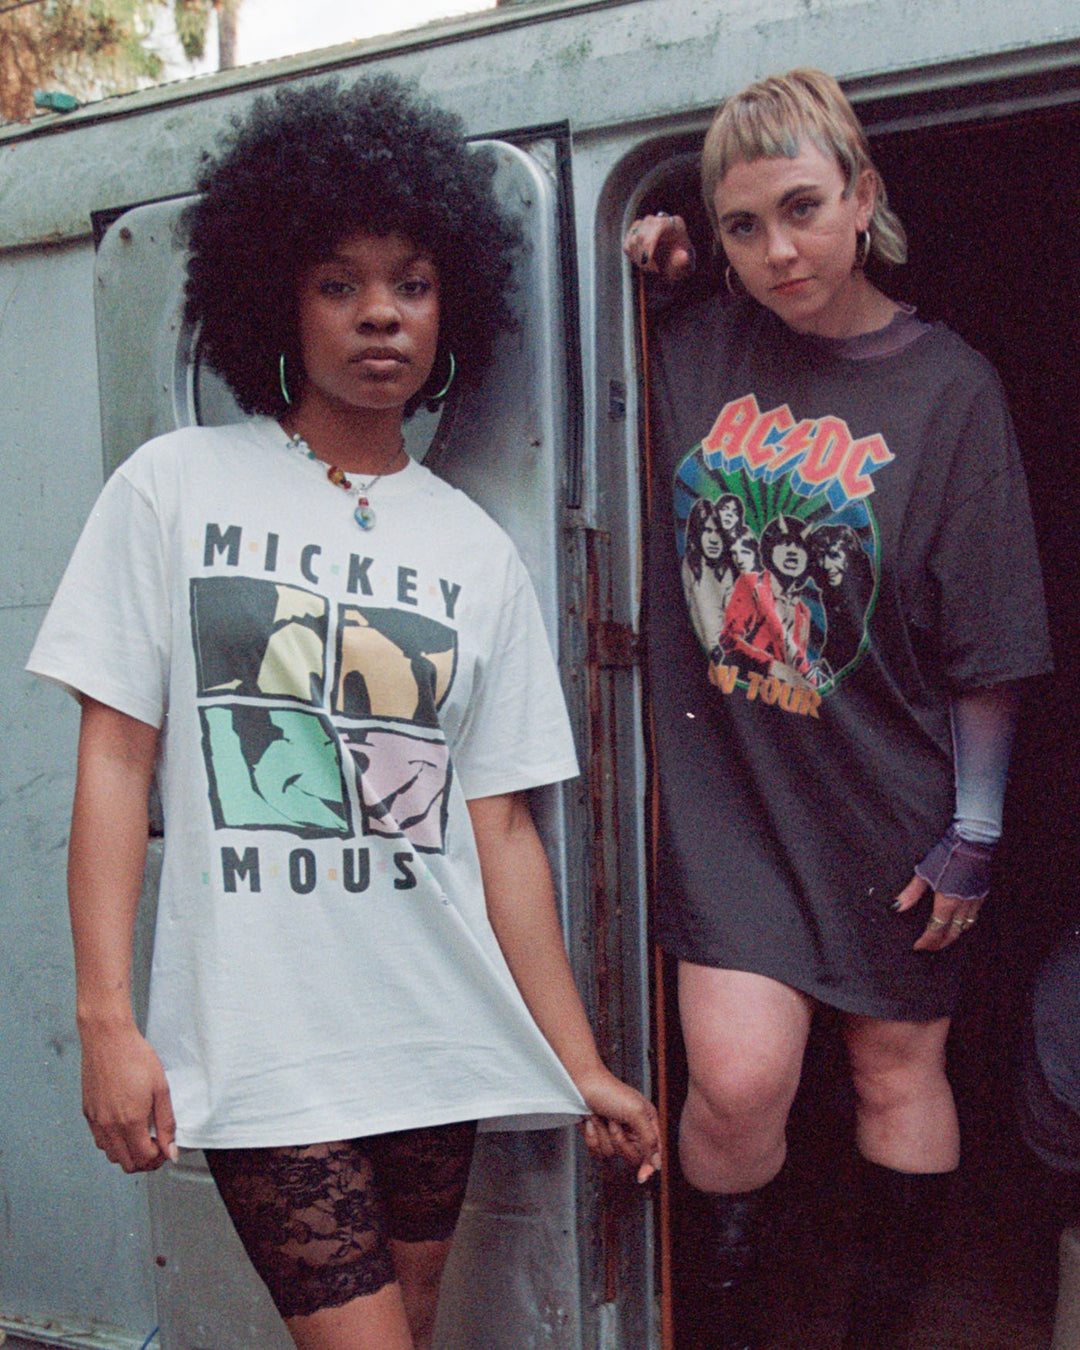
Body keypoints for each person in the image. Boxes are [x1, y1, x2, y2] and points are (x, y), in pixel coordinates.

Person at [28, 77, 659, 1350]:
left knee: (409, 1328)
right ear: (278, 300)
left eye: (413, 284)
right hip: (264, 1038)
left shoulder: (476, 551)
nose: (381, 313)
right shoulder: (175, 488)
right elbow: (116, 761)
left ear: (451, 304)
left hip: (433, 1028)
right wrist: (108, 1018)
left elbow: (502, 835)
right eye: (338, 283)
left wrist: (581, 1061)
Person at [624, 68, 1051, 1349]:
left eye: (803, 208)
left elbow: (988, 636)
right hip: (735, 799)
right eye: (744, 224)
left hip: (891, 795)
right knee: (737, 1085)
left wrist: (976, 829)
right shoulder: (694, 341)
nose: (779, 250)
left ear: (863, 197)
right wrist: (648, 274)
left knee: (894, 1071)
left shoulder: (950, 386)